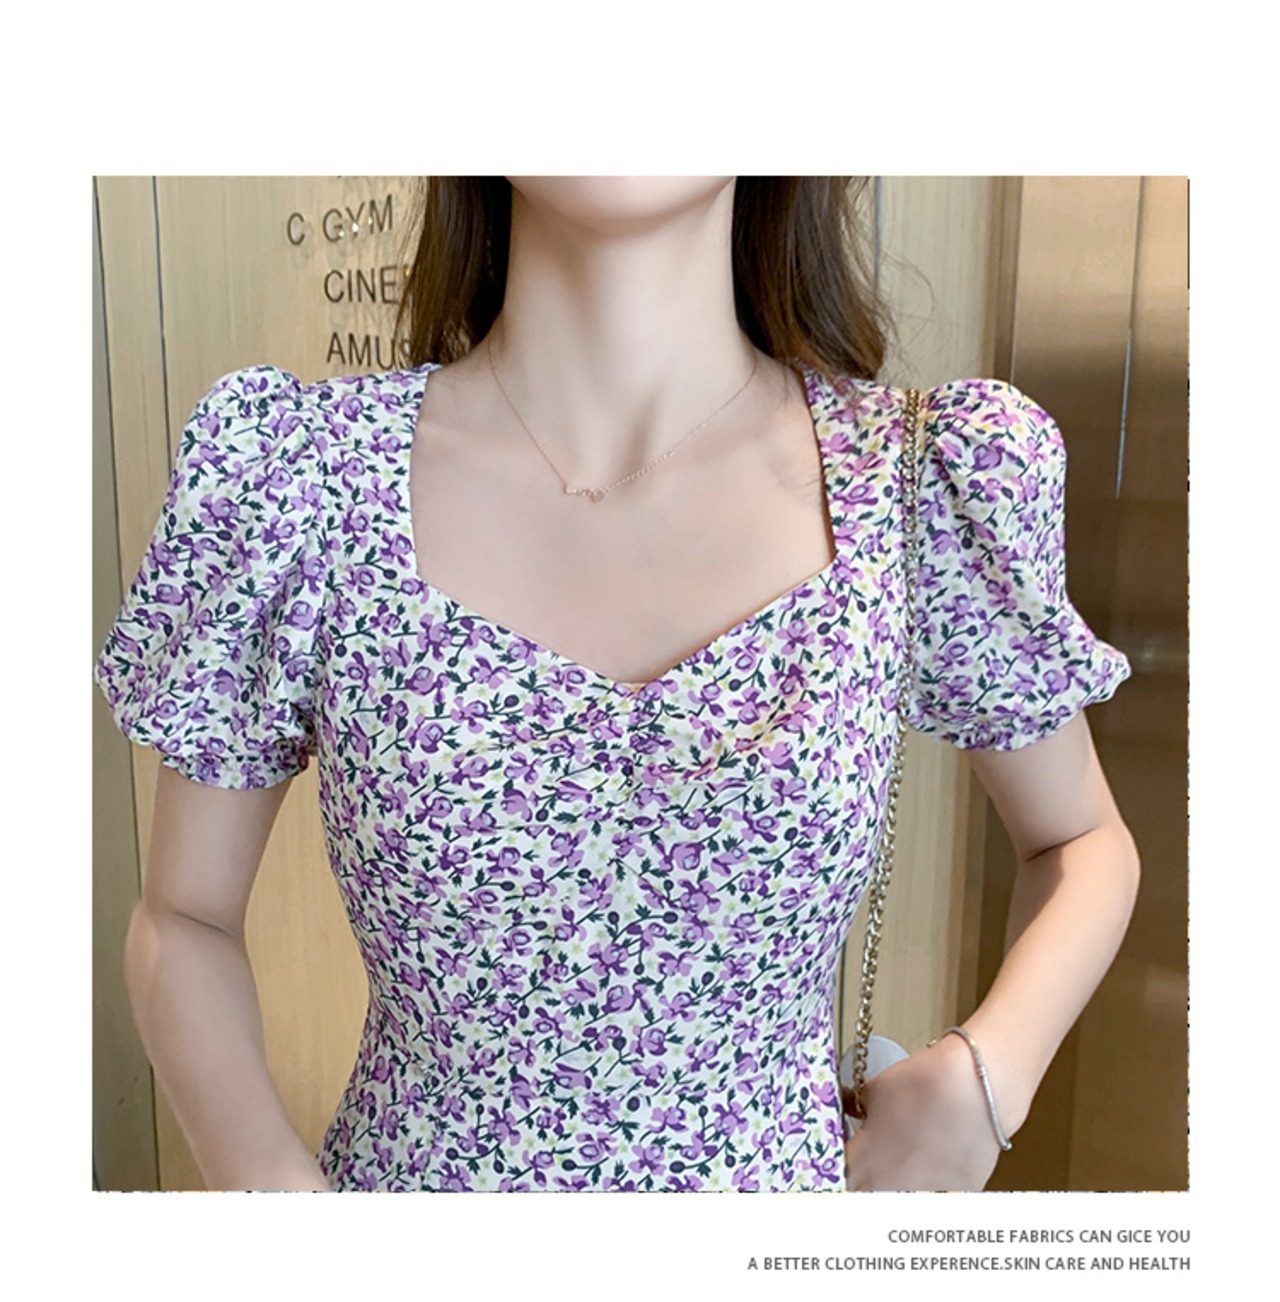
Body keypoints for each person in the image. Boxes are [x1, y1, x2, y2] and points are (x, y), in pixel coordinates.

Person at [93, 176, 1140, 1193]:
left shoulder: (912, 481)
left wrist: (985, 1081)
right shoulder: (303, 478)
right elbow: (184, 917)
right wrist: (272, 1199)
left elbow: (1079, 842)